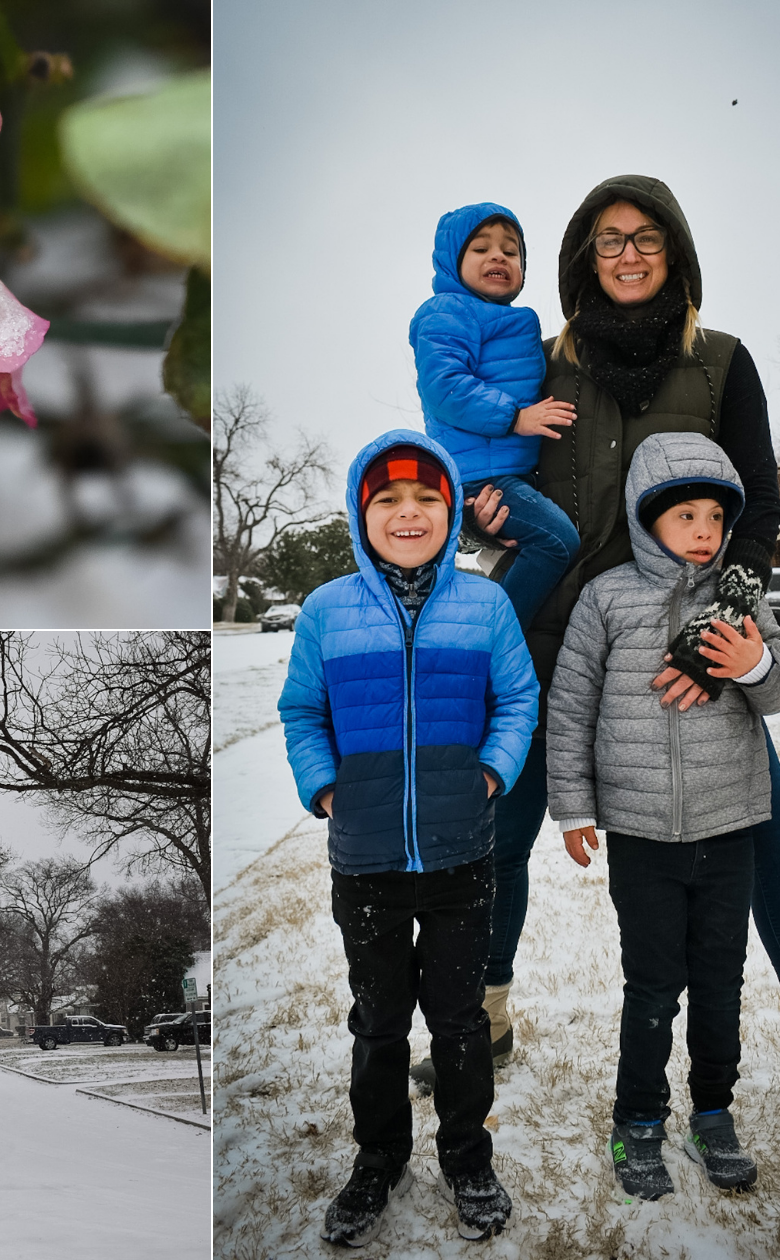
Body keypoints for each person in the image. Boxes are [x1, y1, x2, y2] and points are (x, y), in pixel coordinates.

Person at [423, 173, 780, 1147]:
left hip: (682, 655)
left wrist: (717, 638)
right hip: (555, 646)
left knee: (770, 841)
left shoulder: (721, 362)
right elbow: (484, 444)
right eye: (605, 239)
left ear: (676, 251)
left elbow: (758, 514)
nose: (626, 253)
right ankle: (479, 1022)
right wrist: (481, 504)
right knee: (494, 833)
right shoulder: (541, 358)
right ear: (580, 260)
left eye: (645, 236)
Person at [278, 432, 538, 1246]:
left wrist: (491, 771)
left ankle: (467, 1156)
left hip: (462, 855)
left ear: (452, 510)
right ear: (362, 514)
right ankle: (379, 1158)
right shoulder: (327, 610)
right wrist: (327, 786)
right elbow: (301, 712)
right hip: (367, 862)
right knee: (379, 1020)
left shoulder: (484, 604)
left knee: (459, 1021)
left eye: (426, 498)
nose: (408, 513)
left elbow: (517, 699)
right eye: (388, 499)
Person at [545, 432, 780, 1201]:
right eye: (684, 514)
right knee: (653, 984)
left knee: (721, 980)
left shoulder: (742, 597)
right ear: (647, 518)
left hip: (730, 826)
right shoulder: (608, 597)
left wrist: (751, 664)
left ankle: (714, 1113)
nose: (703, 530)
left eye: (716, 517)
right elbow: (571, 705)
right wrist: (574, 808)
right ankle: (639, 1120)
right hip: (642, 834)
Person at [409, 203, 581, 629]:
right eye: (481, 249)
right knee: (558, 542)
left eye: (511, 251)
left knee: (546, 541)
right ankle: (488, 637)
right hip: (480, 476)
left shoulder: (512, 322)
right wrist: (515, 419)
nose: (498, 257)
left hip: (513, 473)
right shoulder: (447, 311)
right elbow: (444, 386)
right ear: (453, 262)